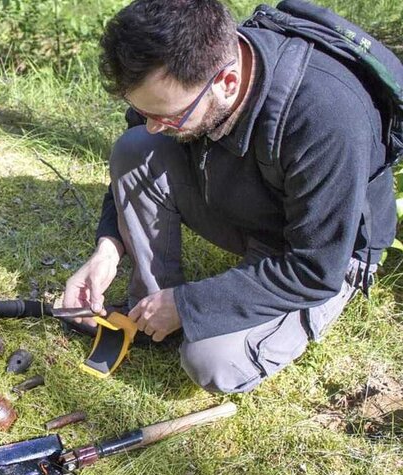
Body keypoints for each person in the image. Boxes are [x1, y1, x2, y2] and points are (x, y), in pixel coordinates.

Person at [62, 0, 398, 393]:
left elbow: (316, 268)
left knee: (212, 362)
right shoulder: (173, 83)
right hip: (246, 198)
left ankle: (175, 310)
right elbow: (146, 143)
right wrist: (108, 248)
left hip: (320, 253)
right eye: (140, 109)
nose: (153, 125)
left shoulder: (325, 116)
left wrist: (190, 305)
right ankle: (153, 309)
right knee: (134, 148)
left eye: (168, 116)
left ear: (227, 82)